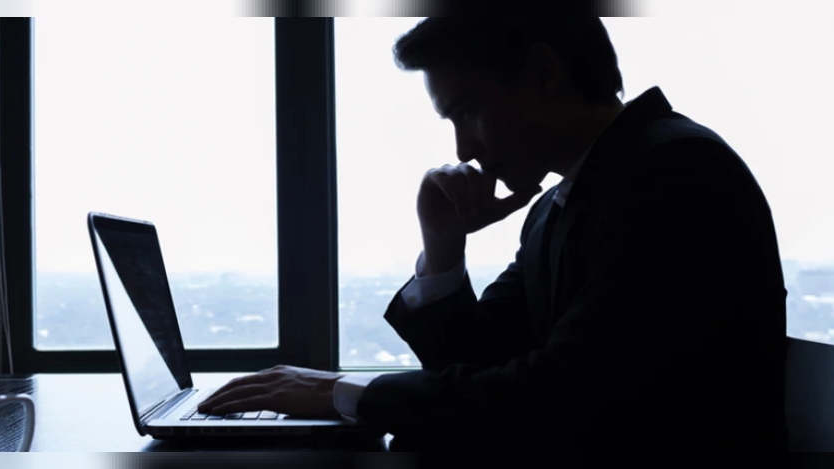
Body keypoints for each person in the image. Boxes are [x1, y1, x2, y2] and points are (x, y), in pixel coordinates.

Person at [198, 18, 787, 451]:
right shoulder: (564, 203)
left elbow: (555, 398)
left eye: (468, 110)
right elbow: (481, 364)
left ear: (541, 73)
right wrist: (442, 243)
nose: (462, 150)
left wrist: (346, 392)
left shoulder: (674, 177)